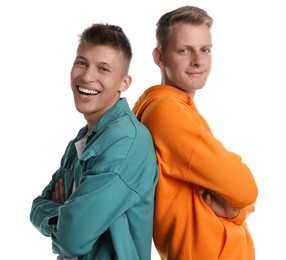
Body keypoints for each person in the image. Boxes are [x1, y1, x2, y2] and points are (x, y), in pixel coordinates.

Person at [132, 5, 258, 260]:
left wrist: (236, 212)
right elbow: (246, 188)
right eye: (184, 50)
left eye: (205, 50)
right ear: (159, 57)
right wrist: (240, 207)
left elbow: (240, 199)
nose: (198, 61)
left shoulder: (179, 108)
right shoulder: (167, 112)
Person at [30, 23, 158, 260]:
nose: (87, 76)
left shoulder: (126, 141)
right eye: (82, 63)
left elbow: (73, 239)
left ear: (124, 82)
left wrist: (62, 215)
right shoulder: (83, 140)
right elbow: (37, 204)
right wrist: (65, 214)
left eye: (103, 69)